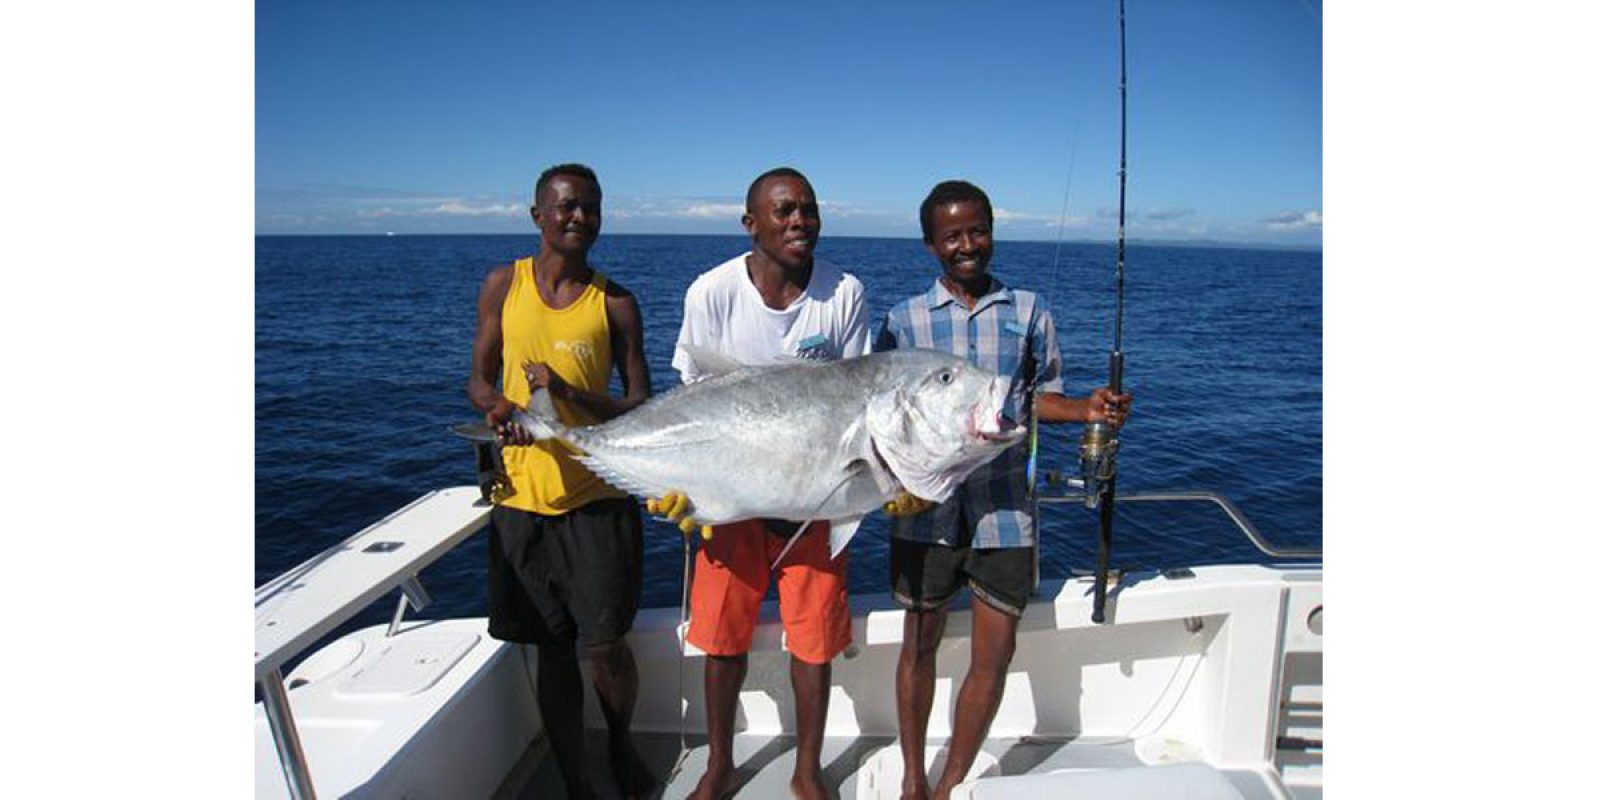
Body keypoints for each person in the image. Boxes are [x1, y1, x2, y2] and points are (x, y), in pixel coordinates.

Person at [875, 180, 1132, 800]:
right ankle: (913, 780)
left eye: (978, 230)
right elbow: (878, 417)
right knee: (919, 644)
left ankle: (950, 784)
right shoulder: (902, 321)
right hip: (923, 511)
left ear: (993, 230)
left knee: (995, 652)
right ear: (930, 243)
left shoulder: (1030, 310)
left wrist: (1087, 409)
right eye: (953, 235)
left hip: (1005, 511)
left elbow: (1039, 399)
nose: (968, 245)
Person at [662, 166, 870, 800]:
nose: (799, 221)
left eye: (808, 209)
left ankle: (807, 772)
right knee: (723, 640)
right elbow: (690, 403)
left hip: (816, 495)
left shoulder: (844, 293)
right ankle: (719, 765)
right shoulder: (712, 292)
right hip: (731, 496)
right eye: (783, 212)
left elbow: (859, 397)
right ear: (750, 223)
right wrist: (681, 484)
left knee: (814, 643)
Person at [467, 163, 655, 799]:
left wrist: (571, 395)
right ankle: (577, 779)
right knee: (551, 649)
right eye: (569, 207)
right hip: (521, 500)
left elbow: (641, 406)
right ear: (537, 216)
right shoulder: (502, 285)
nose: (581, 219)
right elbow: (478, 379)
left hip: (598, 496)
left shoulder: (617, 303)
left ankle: (621, 744)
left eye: (593, 209)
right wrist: (497, 407)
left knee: (605, 647)